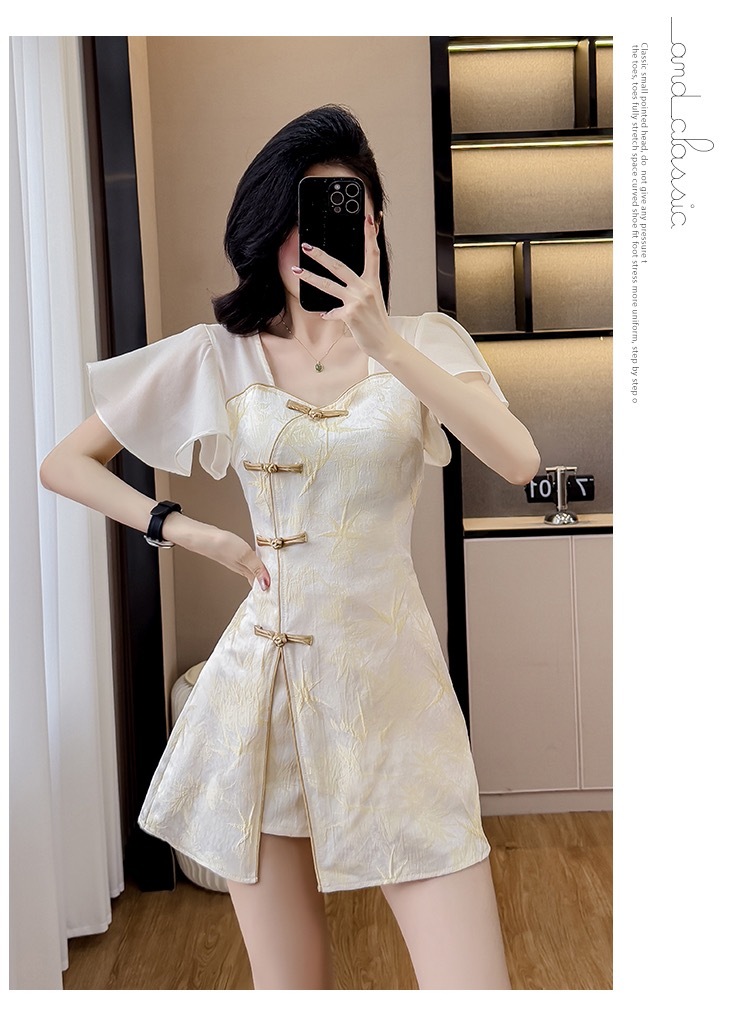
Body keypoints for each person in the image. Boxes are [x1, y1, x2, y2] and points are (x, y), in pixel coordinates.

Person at [39, 104, 540, 990]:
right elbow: (63, 463)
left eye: (354, 214)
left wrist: (385, 343)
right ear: (272, 230)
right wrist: (188, 529)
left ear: (375, 228)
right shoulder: (220, 355)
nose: (330, 238)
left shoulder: (425, 342)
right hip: (260, 701)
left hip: (395, 698)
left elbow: (518, 457)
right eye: (306, 218)